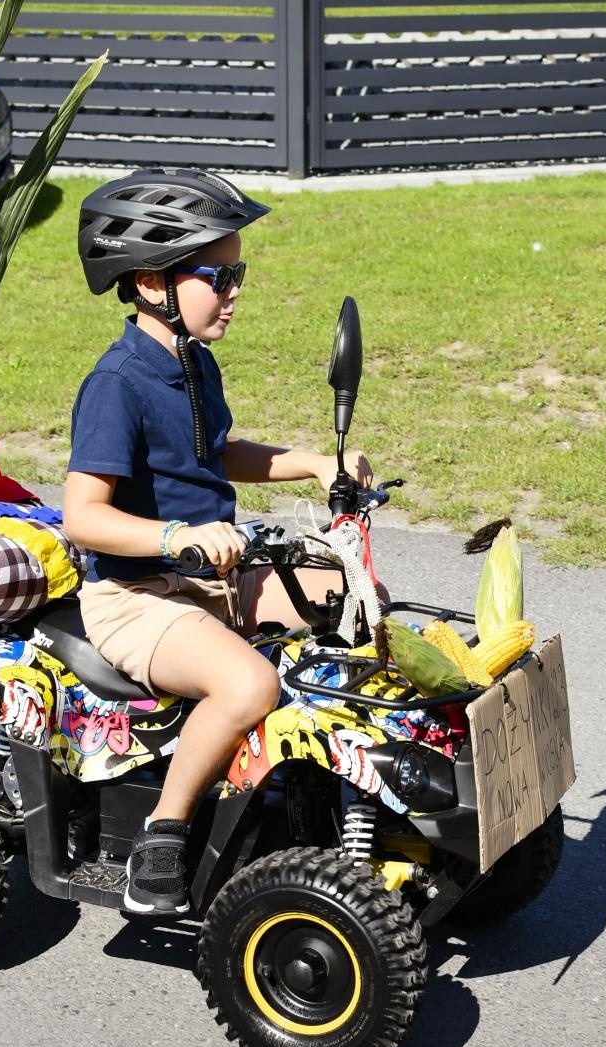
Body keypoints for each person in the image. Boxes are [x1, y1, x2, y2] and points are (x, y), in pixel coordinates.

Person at [64, 168, 371, 915]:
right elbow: (82, 516)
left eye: (238, 271)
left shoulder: (193, 363)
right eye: (218, 275)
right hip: (136, 596)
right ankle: (161, 836)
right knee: (249, 684)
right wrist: (179, 536)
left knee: (356, 604)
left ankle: (320, 789)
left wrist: (312, 461)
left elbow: (217, 452)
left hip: (210, 575)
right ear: (148, 281)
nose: (234, 290)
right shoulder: (117, 385)